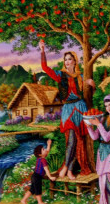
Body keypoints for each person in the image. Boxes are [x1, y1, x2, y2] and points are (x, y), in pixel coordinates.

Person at [39, 40, 95, 180]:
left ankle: (69, 170)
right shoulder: (60, 75)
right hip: (68, 109)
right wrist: (42, 50)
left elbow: (89, 93)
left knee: (78, 140)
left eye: (70, 59)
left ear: (75, 61)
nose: (67, 62)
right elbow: (45, 67)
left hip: (80, 108)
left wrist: (91, 84)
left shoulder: (81, 77)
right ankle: (66, 168)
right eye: (65, 60)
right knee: (71, 139)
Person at [21, 139, 57, 204]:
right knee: (38, 189)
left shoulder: (40, 158)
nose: (45, 150)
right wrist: (50, 177)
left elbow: (47, 151)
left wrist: (49, 144)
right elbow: (46, 170)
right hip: (37, 177)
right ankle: (40, 202)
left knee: (32, 190)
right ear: (40, 154)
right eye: (43, 149)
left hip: (35, 176)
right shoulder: (43, 160)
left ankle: (23, 200)